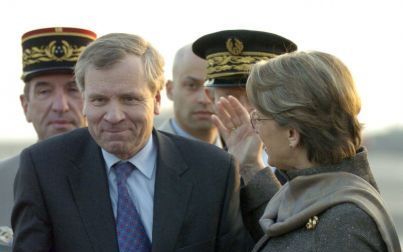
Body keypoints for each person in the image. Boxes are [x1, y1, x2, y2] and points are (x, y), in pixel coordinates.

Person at [12, 33, 253, 252]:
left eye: (129, 99)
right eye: (99, 100)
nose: (114, 116)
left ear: (156, 99)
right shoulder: (44, 169)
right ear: (84, 101)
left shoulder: (214, 171)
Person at [214, 51, 401, 251]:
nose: (255, 128)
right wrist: (250, 164)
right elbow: (292, 237)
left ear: (292, 134)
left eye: (259, 117)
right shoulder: (331, 197)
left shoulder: (346, 222)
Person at [0, 27, 96, 249]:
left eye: (74, 89)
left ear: (95, 99)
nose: (60, 106)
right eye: (44, 91)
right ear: (25, 105)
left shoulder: (126, 179)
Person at [158, 44, 221, 146]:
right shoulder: (147, 156)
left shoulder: (241, 153)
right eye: (191, 85)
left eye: (213, 86)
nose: (205, 99)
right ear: (170, 90)